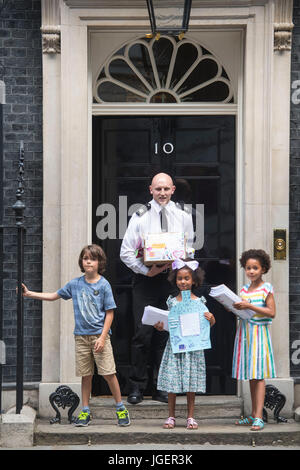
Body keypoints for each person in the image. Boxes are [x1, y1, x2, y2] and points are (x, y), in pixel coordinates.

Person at [21, 244, 130, 427]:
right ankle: (85, 412)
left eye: (93, 259)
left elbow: (110, 313)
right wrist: (29, 293)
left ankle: (120, 408)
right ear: (81, 261)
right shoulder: (75, 284)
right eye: (86, 258)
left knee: (109, 373)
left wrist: (103, 338)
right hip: (81, 337)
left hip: (99, 336)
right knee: (86, 375)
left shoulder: (104, 284)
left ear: (99, 262)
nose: (89, 261)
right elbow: (54, 295)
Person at [120, 173, 194, 404]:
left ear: (173, 189)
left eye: (166, 189)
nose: (162, 193)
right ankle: (137, 387)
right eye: (158, 189)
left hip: (170, 281)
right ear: (150, 190)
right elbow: (125, 252)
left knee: (166, 334)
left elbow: (189, 249)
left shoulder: (183, 216)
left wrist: (181, 266)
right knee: (142, 333)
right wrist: (146, 271)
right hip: (146, 281)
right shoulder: (140, 217)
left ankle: (163, 387)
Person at [154, 259, 215, 429]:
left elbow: (207, 325)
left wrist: (212, 319)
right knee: (172, 383)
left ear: (194, 280)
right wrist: (161, 326)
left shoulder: (200, 302)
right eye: (180, 278)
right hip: (175, 346)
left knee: (191, 384)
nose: (183, 281)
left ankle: (190, 417)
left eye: (187, 278)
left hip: (193, 348)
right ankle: (171, 416)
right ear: (175, 280)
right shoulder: (172, 302)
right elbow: (170, 325)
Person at [232, 249, 276, 431]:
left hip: (259, 334)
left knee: (258, 376)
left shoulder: (267, 289)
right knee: (250, 376)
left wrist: (249, 305)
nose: (251, 271)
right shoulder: (243, 290)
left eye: (255, 268)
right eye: (248, 268)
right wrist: (233, 308)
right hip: (245, 334)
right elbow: (243, 313)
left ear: (263, 269)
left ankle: (259, 416)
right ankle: (253, 415)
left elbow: (272, 312)